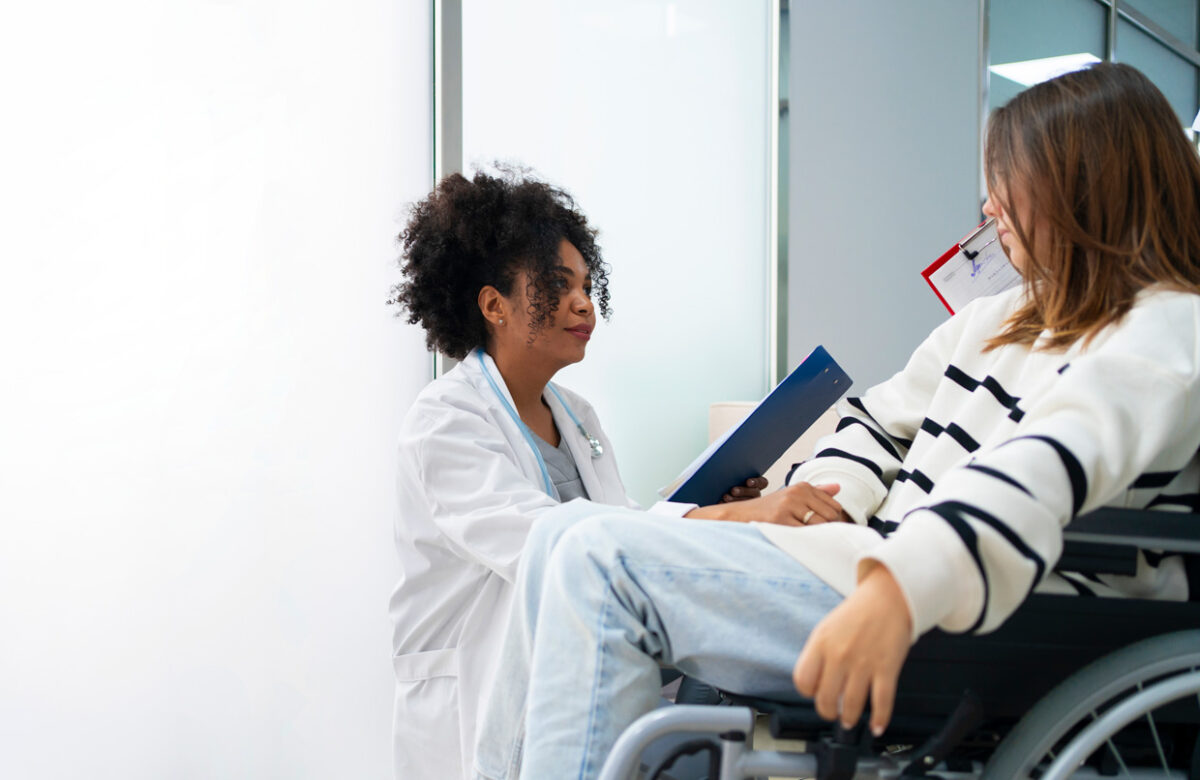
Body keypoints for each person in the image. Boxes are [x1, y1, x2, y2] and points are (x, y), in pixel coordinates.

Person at [471, 62, 1200, 780]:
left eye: (1011, 185)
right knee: (561, 536)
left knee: (598, 559)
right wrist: (833, 501)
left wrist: (896, 587)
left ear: (1083, 189)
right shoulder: (998, 318)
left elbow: (1034, 475)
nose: (989, 207)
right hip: (874, 561)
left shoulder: (1164, 331)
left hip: (963, 604)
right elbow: (875, 422)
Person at [388, 169, 830, 779]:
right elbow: (559, 546)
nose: (583, 304)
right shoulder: (446, 421)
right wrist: (726, 517)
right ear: (493, 306)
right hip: (476, 701)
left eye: (587, 286)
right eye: (557, 285)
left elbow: (617, 527)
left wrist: (713, 509)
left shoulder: (577, 414)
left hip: (562, 689)